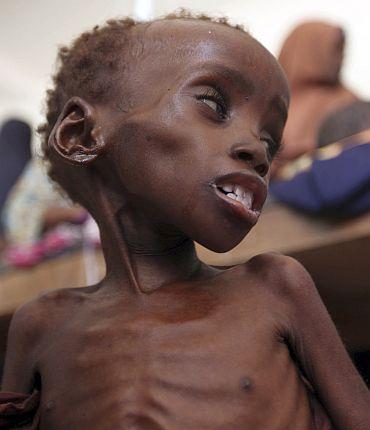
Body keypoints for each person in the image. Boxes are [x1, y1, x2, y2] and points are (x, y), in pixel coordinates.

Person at [1, 11, 369, 430]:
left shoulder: (275, 287)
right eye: (214, 105)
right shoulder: (42, 325)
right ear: (81, 136)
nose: (259, 151)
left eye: (270, 139)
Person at [274, 21, 358, 174]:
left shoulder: (349, 102)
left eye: (342, 52)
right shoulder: (269, 96)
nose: (341, 60)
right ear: (308, 50)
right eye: (335, 51)